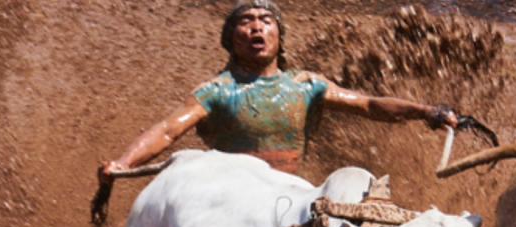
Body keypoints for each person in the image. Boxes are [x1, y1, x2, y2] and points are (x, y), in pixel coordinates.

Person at [98, 0, 458, 182]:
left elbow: (368, 105)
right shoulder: (217, 91)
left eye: (265, 21)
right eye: (246, 21)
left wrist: (425, 112)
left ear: (279, 37)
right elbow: (167, 130)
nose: (257, 28)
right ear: (231, 39)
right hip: (229, 198)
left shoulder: (305, 85)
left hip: (288, 196)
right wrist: (123, 164)